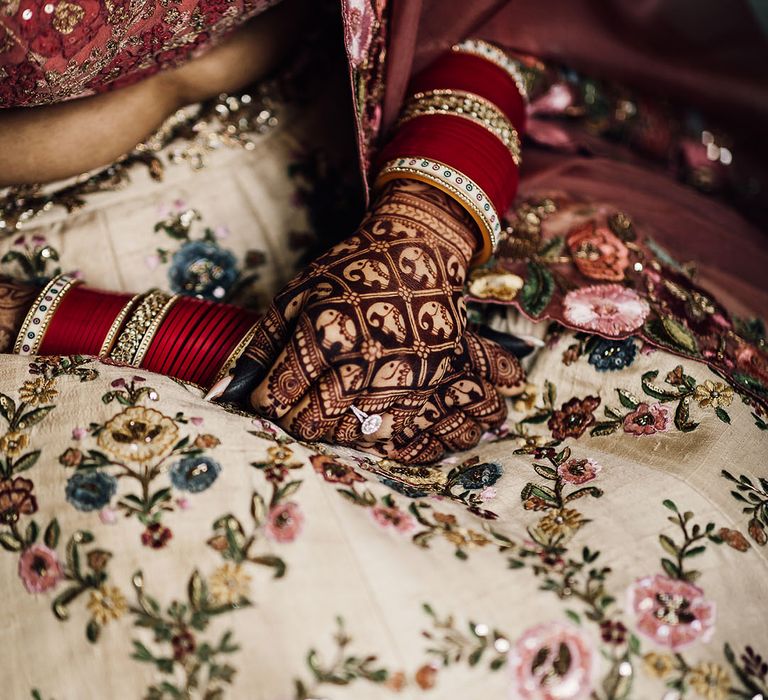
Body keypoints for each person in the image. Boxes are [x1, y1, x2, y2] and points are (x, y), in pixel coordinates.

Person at [1, 2, 767, 698]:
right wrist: (226, 351)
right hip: (48, 310)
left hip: (400, 150)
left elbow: (487, 11)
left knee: (709, 512)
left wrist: (422, 235)